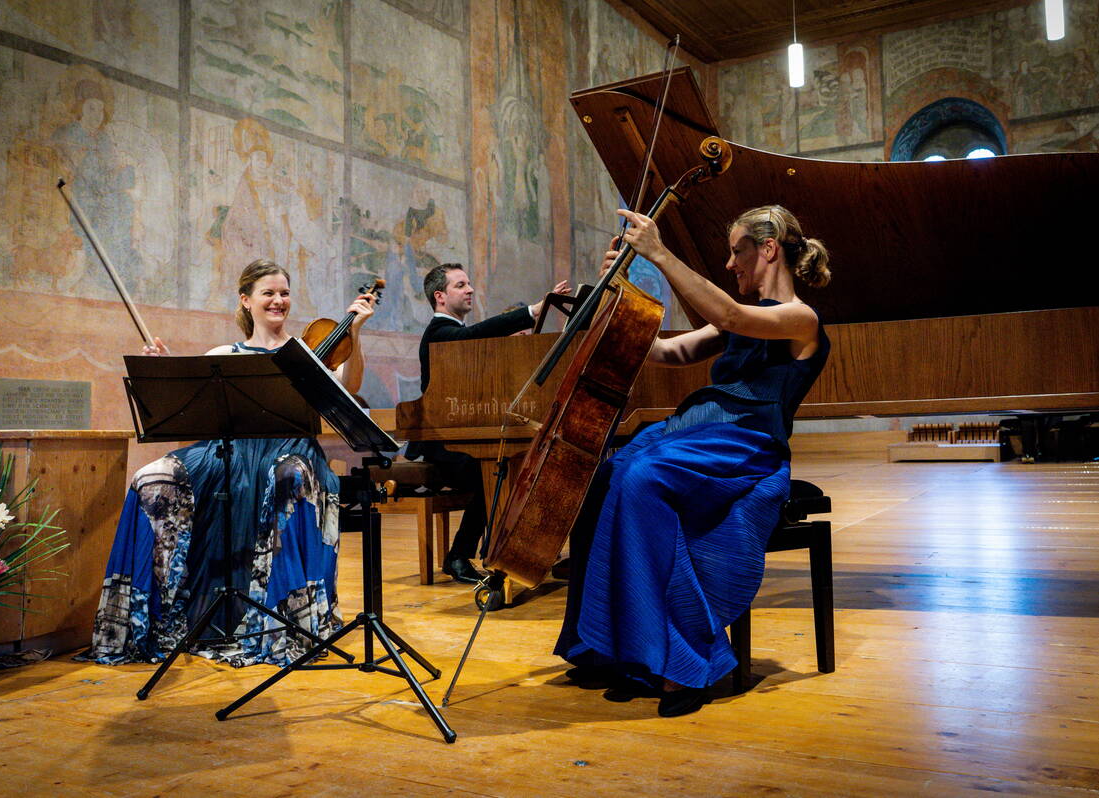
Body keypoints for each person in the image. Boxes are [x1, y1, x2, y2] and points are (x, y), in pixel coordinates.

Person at [555, 204, 832, 717]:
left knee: (641, 476)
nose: (731, 264)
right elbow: (669, 353)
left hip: (747, 442)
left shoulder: (799, 318)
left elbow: (728, 313)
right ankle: (608, 645)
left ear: (767, 249)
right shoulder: (745, 322)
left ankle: (681, 661)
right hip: (700, 431)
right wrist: (616, 297)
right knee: (604, 473)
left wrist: (659, 252)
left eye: (736, 251)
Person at [82, 259, 376, 667]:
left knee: (287, 476)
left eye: (285, 293)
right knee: (153, 477)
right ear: (246, 300)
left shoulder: (305, 354)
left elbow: (350, 385)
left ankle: (285, 625)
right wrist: (169, 370)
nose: (279, 301)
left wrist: (355, 334)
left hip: (291, 452)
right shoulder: (224, 354)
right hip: (232, 453)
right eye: (269, 293)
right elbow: (195, 409)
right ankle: (150, 621)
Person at [406, 263, 569, 583]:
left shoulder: (456, 335)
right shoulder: (440, 332)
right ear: (440, 296)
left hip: (462, 437)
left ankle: (513, 550)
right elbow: (471, 335)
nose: (470, 289)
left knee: (518, 464)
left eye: (469, 283)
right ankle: (462, 554)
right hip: (443, 445)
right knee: (498, 470)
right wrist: (532, 311)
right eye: (460, 285)